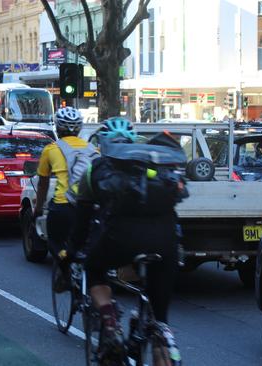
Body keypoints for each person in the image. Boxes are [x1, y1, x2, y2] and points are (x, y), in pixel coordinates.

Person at [70, 117, 184, 360]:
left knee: (94, 267)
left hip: (120, 239)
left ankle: (110, 319)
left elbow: (82, 221)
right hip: (166, 244)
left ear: (103, 143)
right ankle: (161, 332)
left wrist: (72, 251)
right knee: (159, 320)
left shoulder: (95, 169)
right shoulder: (155, 166)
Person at [34, 107, 88, 290]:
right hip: (88, 206)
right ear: (79, 129)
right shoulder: (92, 149)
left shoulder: (51, 149)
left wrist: (38, 209)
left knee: (54, 242)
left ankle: (65, 272)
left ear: (57, 128)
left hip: (63, 205)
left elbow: (42, 183)